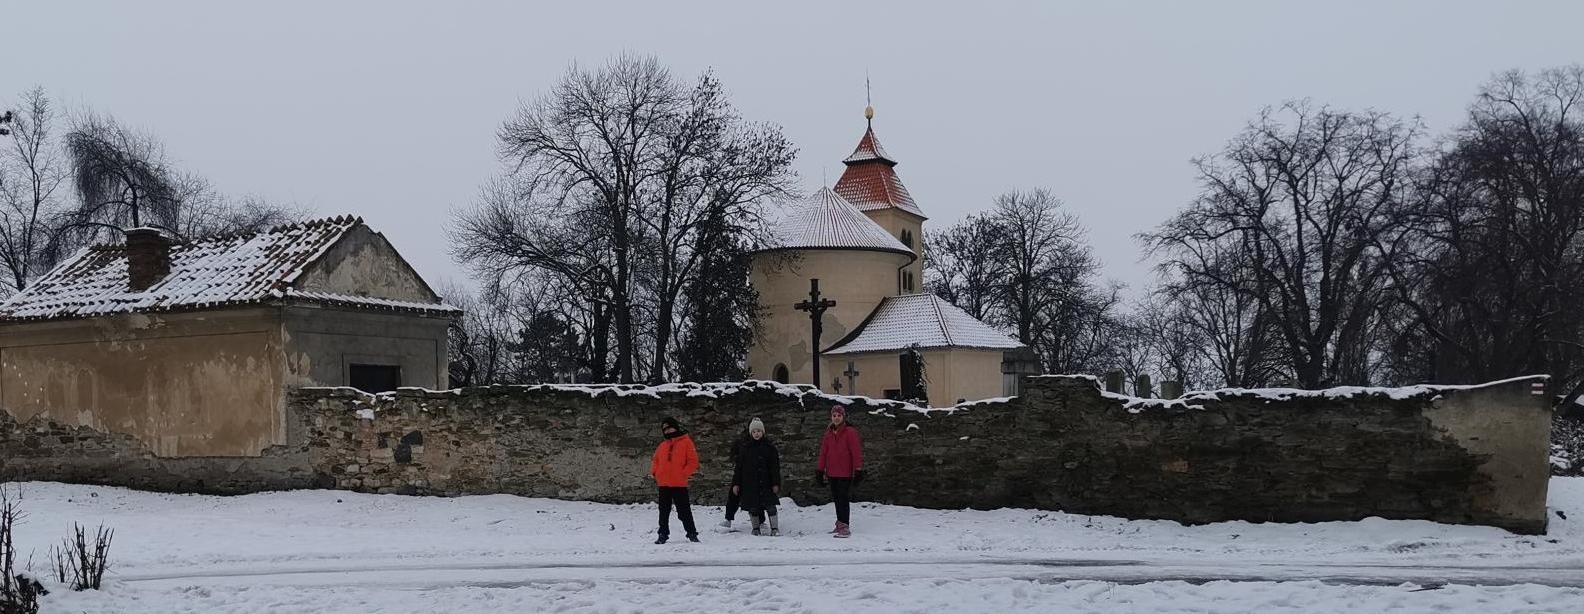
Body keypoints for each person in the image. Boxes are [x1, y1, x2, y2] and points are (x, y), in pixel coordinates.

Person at [815, 404, 863, 538]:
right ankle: (840, 523)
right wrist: (820, 470)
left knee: (843, 498)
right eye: (834, 416)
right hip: (832, 472)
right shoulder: (828, 433)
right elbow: (823, 453)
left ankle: (845, 526)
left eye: (839, 416)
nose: (836, 418)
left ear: (843, 417)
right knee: (836, 498)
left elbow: (856, 452)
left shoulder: (850, 432)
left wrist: (858, 469)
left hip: (845, 472)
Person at [650, 416, 700, 544]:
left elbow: (693, 461)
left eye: (669, 428)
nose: (667, 431)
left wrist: (683, 474)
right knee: (663, 511)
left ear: (676, 427)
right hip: (664, 484)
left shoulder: (686, 442)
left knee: (684, 511)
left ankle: (692, 533)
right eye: (665, 429)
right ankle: (663, 534)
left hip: (679, 484)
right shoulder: (662, 445)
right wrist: (655, 472)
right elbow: (655, 460)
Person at [731, 417, 782, 536]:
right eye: (754, 431)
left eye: (758, 431)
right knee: (753, 507)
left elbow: (775, 467)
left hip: (767, 482)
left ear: (763, 432)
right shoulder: (745, 449)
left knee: (770, 507)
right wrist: (736, 483)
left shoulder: (770, 448)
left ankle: (774, 528)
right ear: (751, 433)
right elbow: (739, 468)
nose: (756, 434)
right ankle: (755, 528)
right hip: (750, 483)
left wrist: (776, 483)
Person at [719, 426, 753, 531]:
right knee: (733, 496)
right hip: (740, 473)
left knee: (755, 500)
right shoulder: (741, 443)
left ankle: (760, 521)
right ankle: (728, 518)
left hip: (754, 475)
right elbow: (734, 457)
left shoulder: (761, 444)